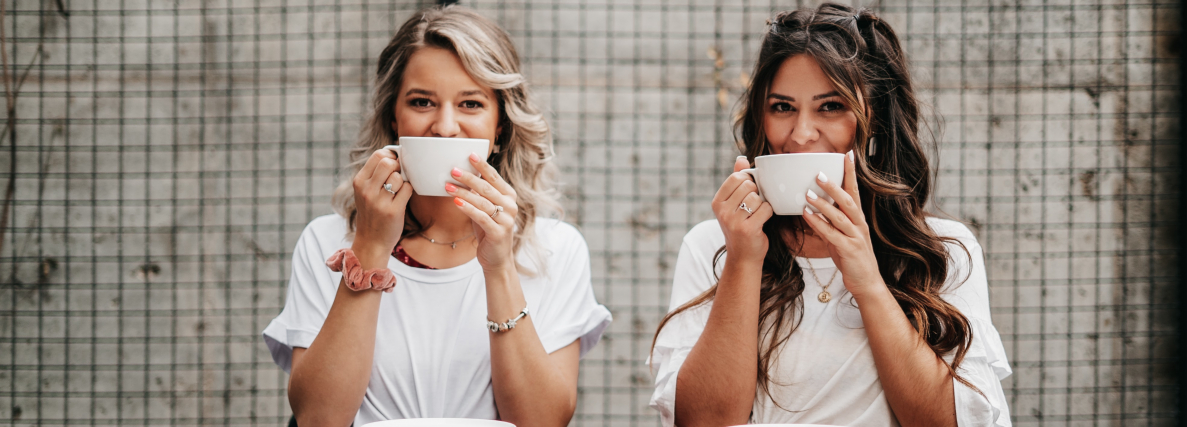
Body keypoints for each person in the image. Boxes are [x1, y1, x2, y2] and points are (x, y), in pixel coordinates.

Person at [648, 4, 1011, 426]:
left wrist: (867, 280)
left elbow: (951, 422)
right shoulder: (713, 245)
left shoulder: (944, 249)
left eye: (830, 106)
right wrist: (743, 259)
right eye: (782, 107)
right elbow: (702, 420)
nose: (801, 134)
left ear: (873, 119)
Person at [262, 6, 611, 427]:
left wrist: (499, 267)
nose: (445, 128)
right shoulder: (328, 242)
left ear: (499, 125)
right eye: (422, 102)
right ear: (395, 119)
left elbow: (543, 421)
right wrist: (371, 247)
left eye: (471, 103)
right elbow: (318, 417)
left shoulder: (553, 249)